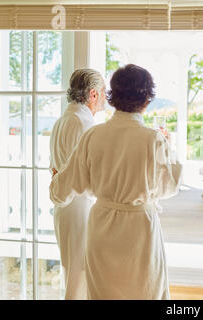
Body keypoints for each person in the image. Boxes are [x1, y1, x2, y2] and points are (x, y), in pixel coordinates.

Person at [49, 64, 182, 299]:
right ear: (147, 99)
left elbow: (60, 191)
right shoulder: (153, 140)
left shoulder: (93, 135)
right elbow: (170, 186)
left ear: (111, 97)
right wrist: (167, 146)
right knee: (145, 291)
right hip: (140, 230)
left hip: (102, 228)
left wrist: (55, 181)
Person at [49, 68, 106, 299]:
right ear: (93, 94)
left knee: (72, 271)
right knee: (80, 275)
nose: (106, 97)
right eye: (104, 92)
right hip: (81, 207)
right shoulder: (84, 124)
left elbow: (55, 170)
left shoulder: (62, 121)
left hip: (64, 208)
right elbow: (90, 175)